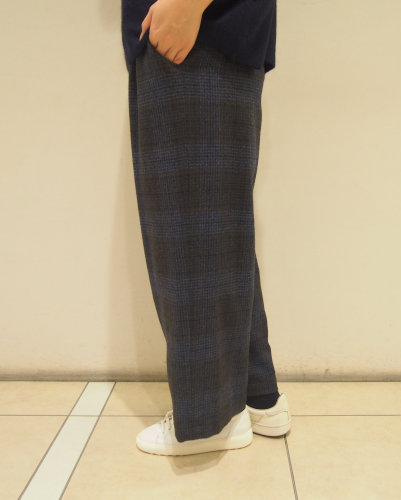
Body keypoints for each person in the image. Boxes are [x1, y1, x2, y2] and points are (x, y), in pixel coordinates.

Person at [122, 0, 291, 456]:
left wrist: (187, 4)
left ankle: (211, 419)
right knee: (217, 227)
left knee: (189, 234)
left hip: (191, 26)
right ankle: (258, 396)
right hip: (206, 27)